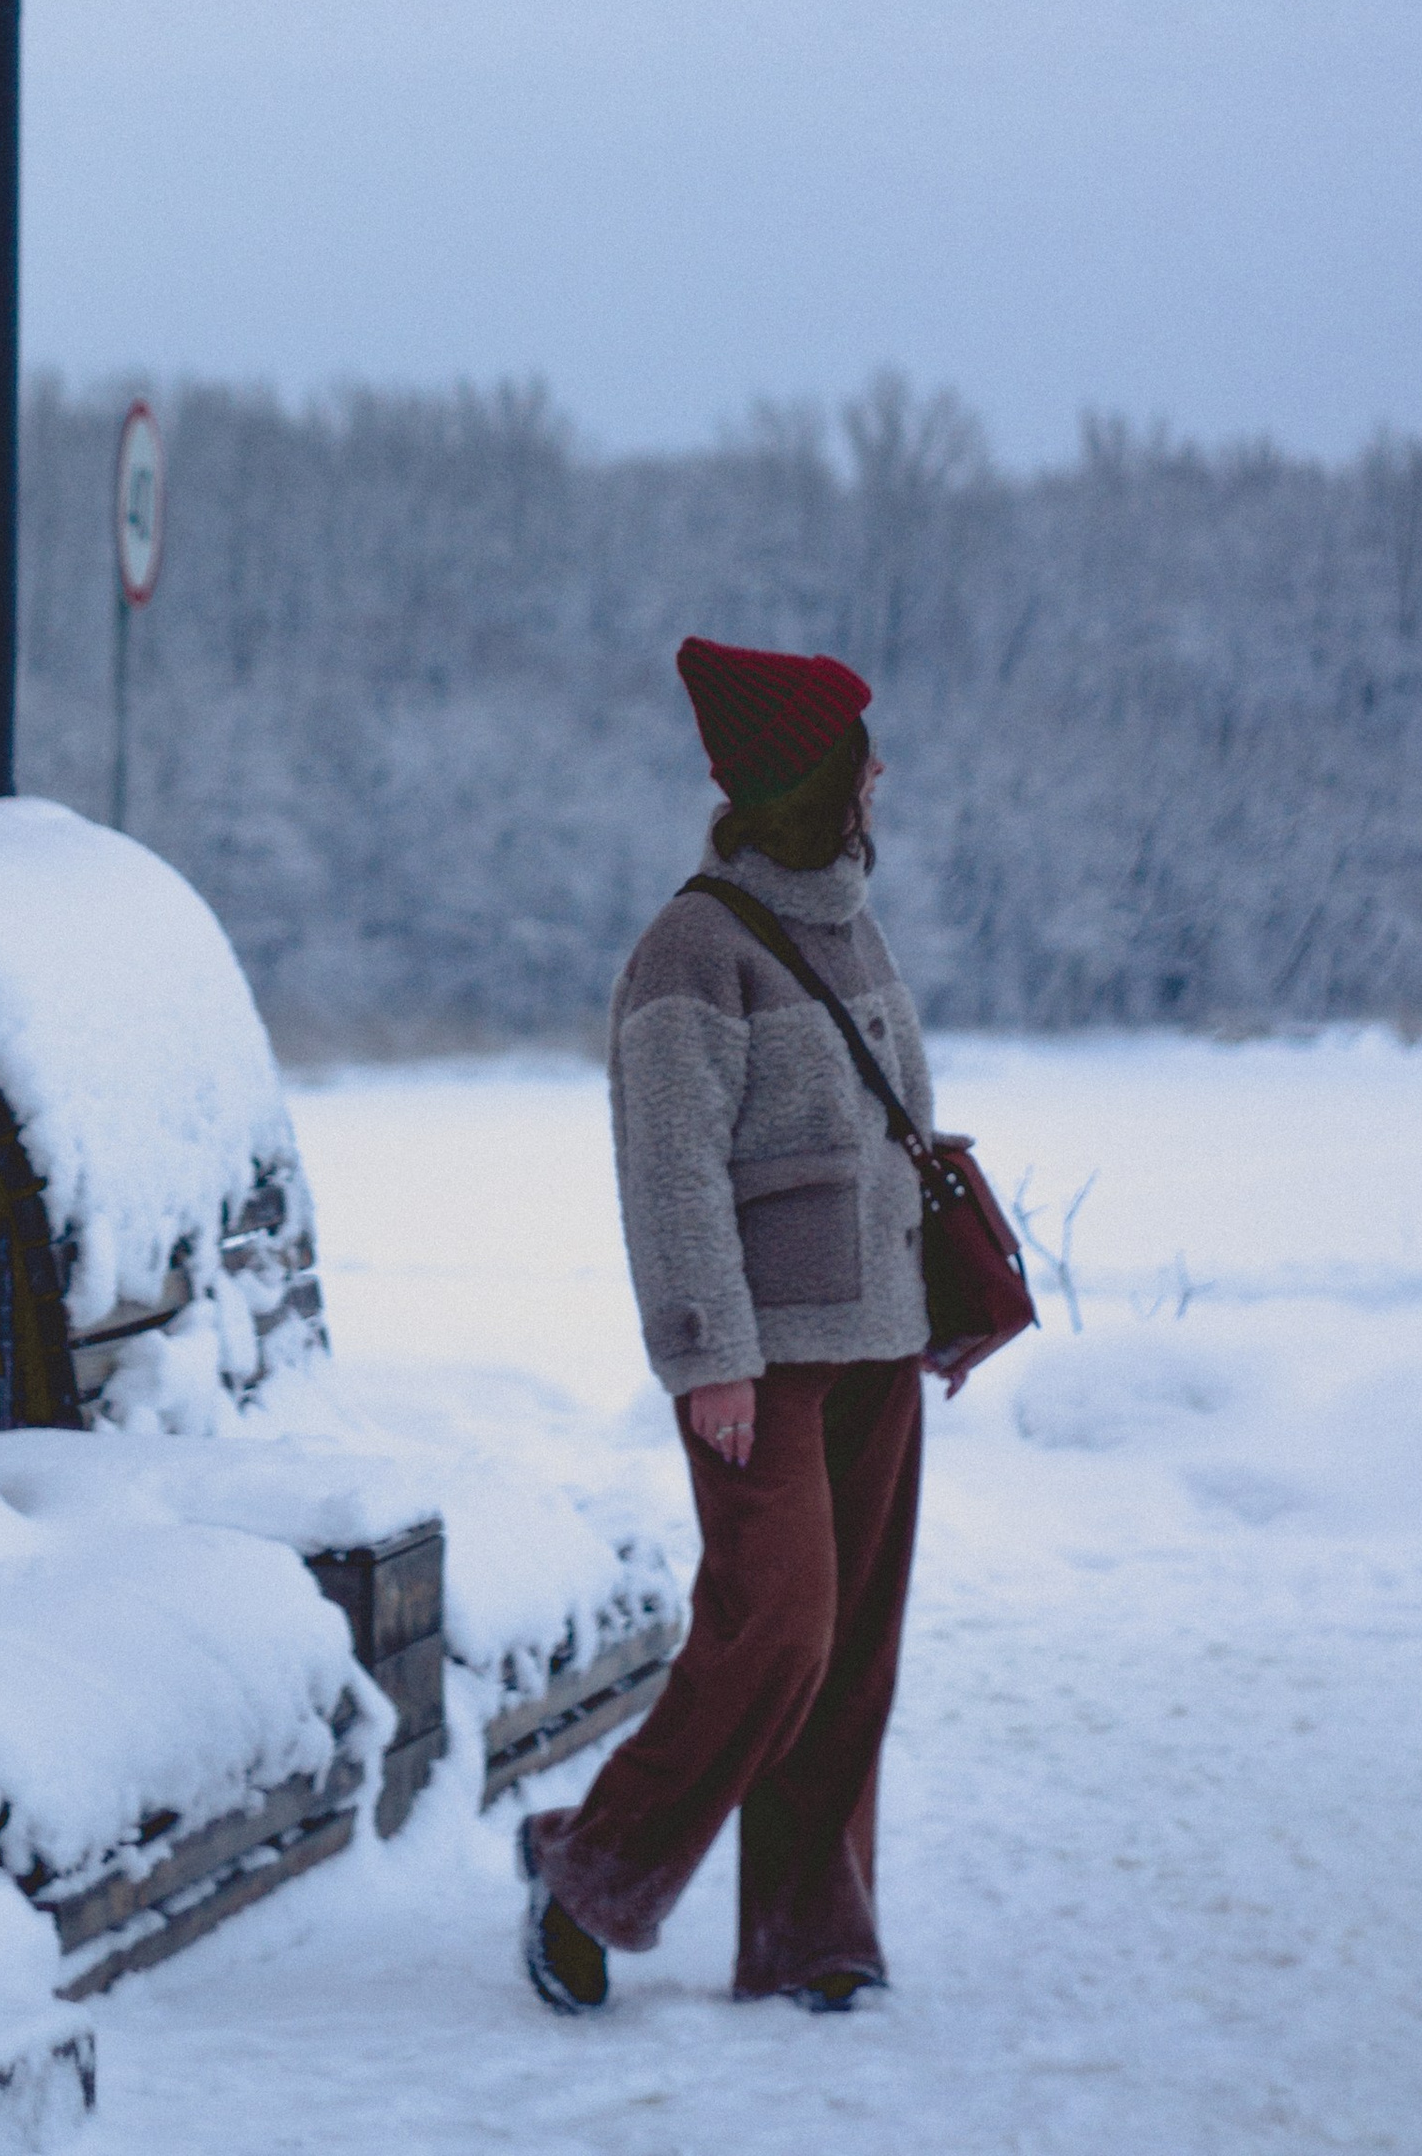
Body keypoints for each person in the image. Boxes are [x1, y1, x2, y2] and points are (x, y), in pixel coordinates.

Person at [519, 634, 939, 2021]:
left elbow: (895, 1119)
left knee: (853, 1654)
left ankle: (813, 1932)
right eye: (861, 756)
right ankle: (592, 1875)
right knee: (780, 1634)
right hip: (760, 1364)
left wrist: (924, 1288)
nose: (881, 775)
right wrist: (709, 1358)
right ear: (819, 779)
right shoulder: (691, 950)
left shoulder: (854, 924)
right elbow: (671, 1174)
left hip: (879, 1341)